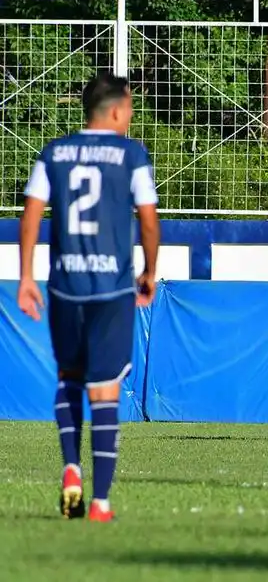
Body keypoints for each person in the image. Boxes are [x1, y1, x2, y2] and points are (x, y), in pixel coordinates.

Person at [17, 72, 160, 522]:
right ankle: (100, 503)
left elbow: (32, 213)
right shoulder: (130, 153)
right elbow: (149, 218)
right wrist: (151, 271)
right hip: (112, 290)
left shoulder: (54, 153)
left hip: (65, 286)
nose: (131, 116)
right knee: (105, 392)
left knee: (68, 377)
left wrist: (25, 277)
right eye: (131, 108)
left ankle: (72, 468)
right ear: (116, 111)